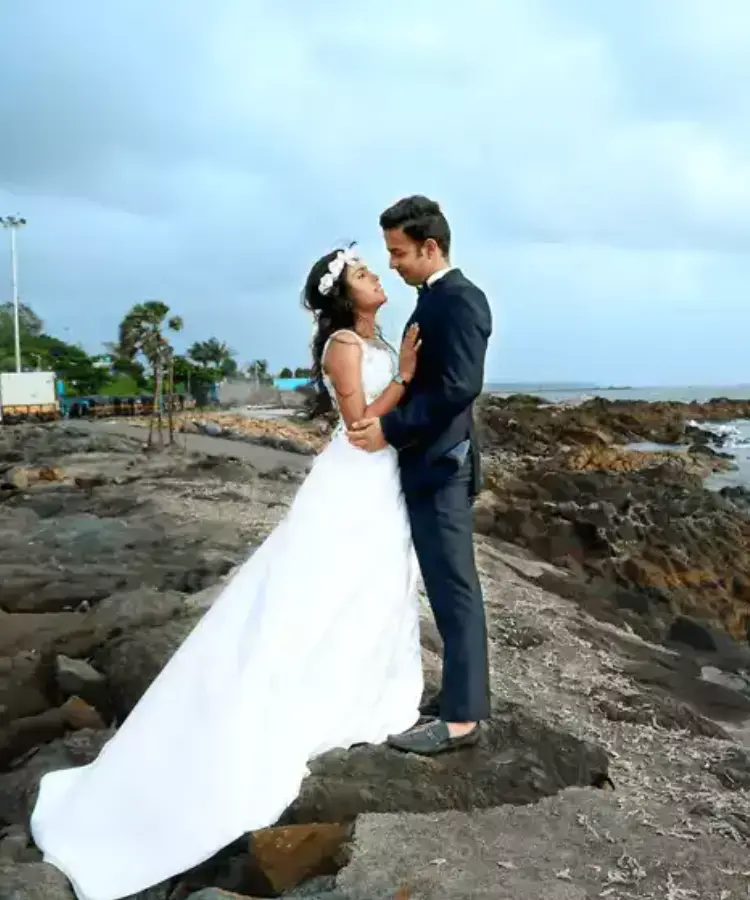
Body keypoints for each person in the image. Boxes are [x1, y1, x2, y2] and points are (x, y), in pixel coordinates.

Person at [29, 245, 424, 900]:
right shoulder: (343, 348)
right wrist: (407, 377)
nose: (375, 276)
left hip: (381, 484)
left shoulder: (372, 336)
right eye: (363, 272)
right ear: (341, 295)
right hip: (353, 482)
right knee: (313, 595)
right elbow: (359, 425)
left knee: (370, 589)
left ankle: (359, 689)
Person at [349, 195, 493, 756]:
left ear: (430, 247)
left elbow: (459, 386)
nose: (393, 264)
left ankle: (462, 719)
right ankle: (461, 698)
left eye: (399, 252)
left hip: (441, 464)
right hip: (429, 462)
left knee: (455, 589)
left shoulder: (460, 300)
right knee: (444, 586)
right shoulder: (432, 299)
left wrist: (392, 429)